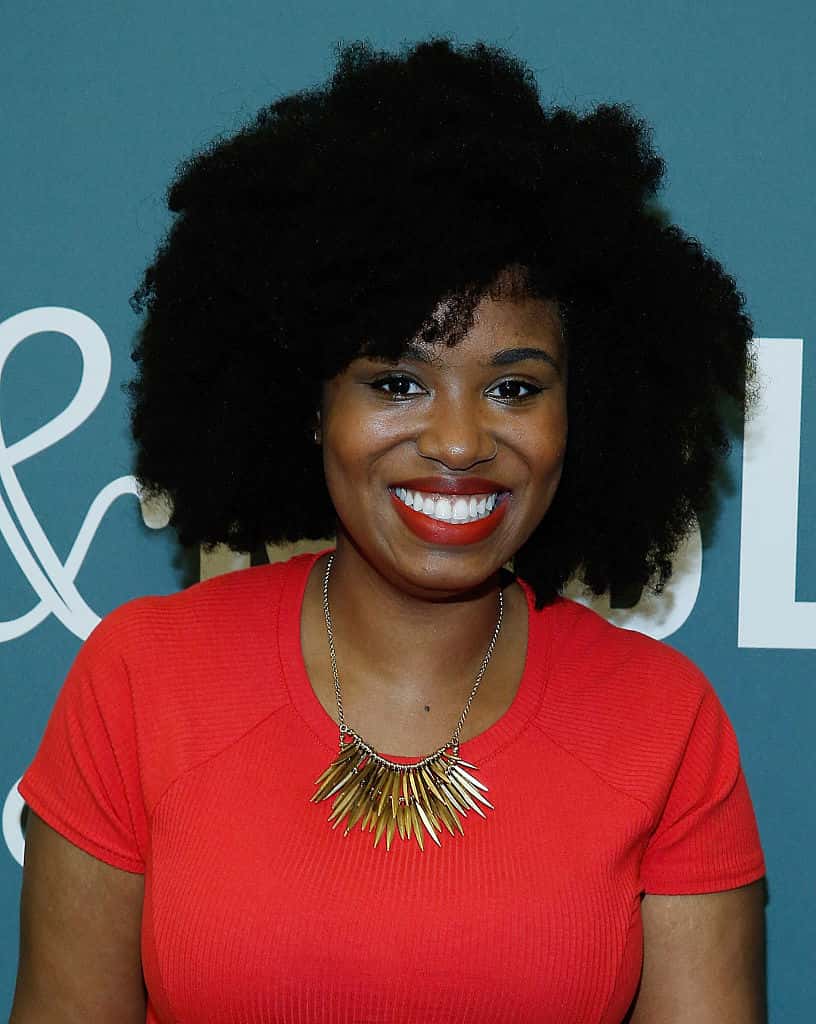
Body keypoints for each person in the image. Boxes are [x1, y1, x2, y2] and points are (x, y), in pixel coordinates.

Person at [11, 37, 766, 1024]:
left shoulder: (662, 723)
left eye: (514, 388)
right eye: (397, 382)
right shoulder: (141, 683)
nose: (458, 441)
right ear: (309, 403)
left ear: (588, 413)